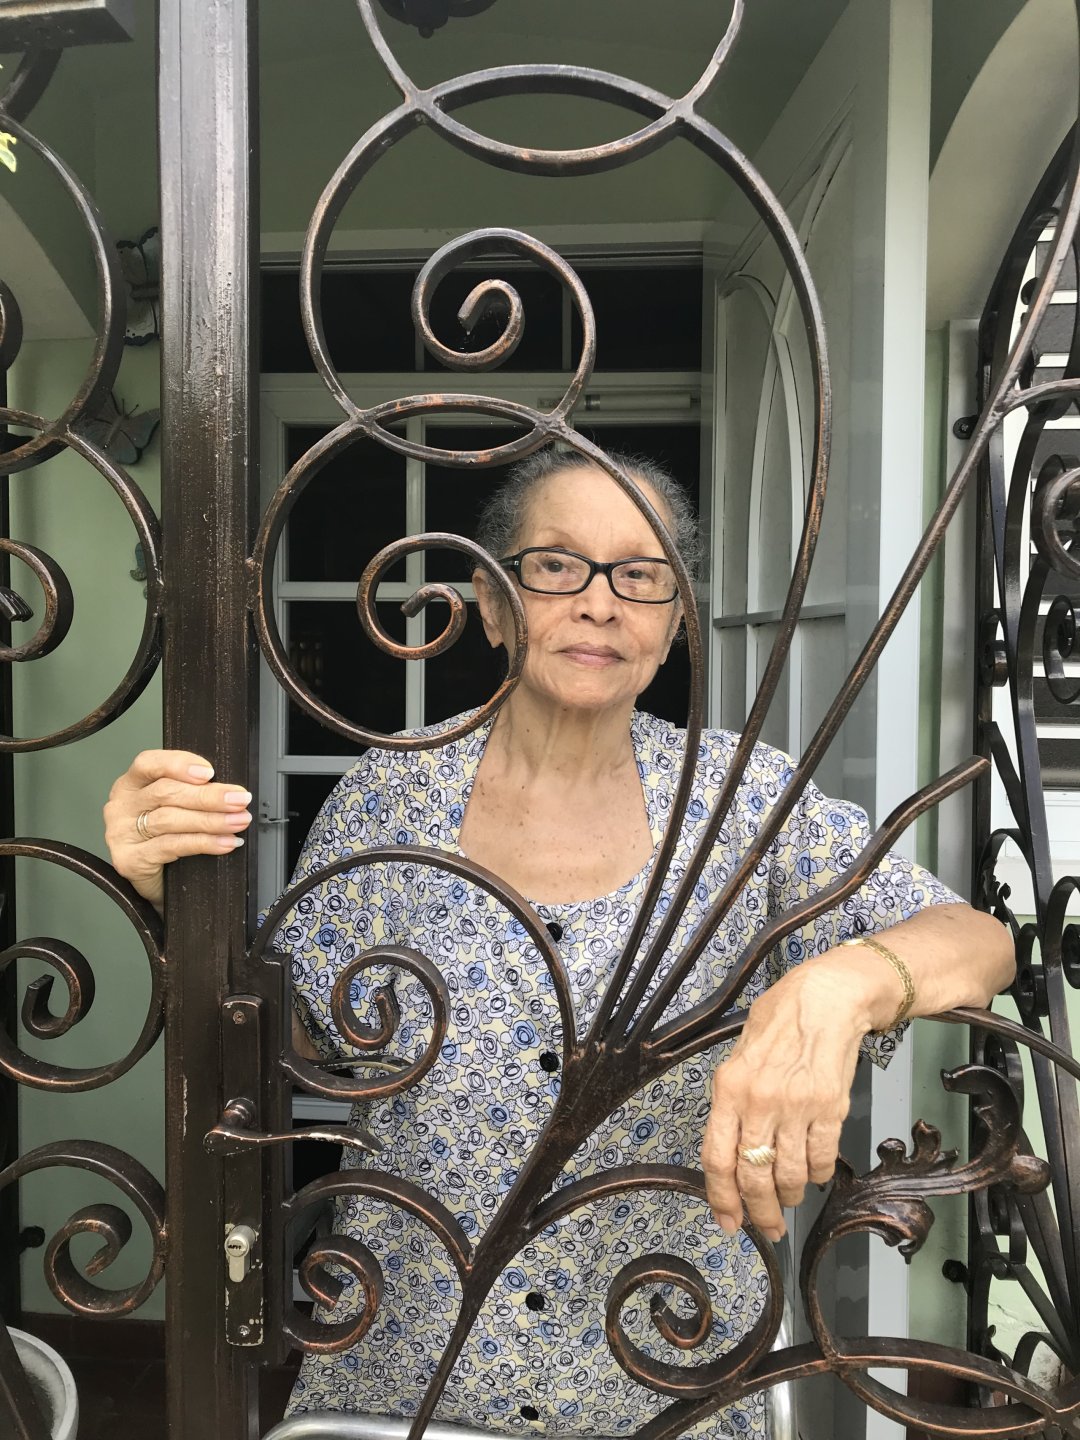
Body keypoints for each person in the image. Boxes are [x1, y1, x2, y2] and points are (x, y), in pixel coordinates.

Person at [104, 447, 1014, 1437]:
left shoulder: (744, 800)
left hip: (673, 1380)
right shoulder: (390, 797)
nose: (599, 602)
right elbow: (306, 1048)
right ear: (493, 605)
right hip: (407, 1372)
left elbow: (979, 940)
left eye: (641, 574)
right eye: (555, 565)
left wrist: (841, 986)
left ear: (672, 625)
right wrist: (167, 898)